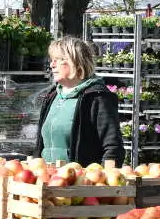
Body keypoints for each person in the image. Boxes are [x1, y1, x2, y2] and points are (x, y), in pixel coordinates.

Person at [37, 36, 125, 165]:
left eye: (59, 60)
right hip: (49, 178)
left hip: (79, 180)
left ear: (76, 63)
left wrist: (106, 179)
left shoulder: (96, 97)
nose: (52, 65)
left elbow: (112, 147)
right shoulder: (53, 96)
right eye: (52, 60)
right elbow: (41, 145)